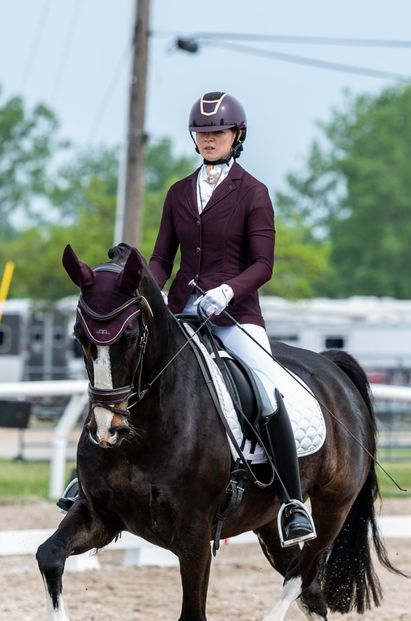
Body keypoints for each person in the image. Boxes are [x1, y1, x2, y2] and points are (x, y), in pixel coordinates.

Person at [147, 90, 315, 545]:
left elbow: (264, 265)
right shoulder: (179, 192)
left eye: (217, 132)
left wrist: (227, 290)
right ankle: (87, 480)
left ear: (236, 135)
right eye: (202, 133)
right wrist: (146, 292)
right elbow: (163, 258)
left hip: (235, 314)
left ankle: (293, 501)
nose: (208, 139)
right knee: (133, 375)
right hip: (183, 311)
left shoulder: (253, 193)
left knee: (265, 387)